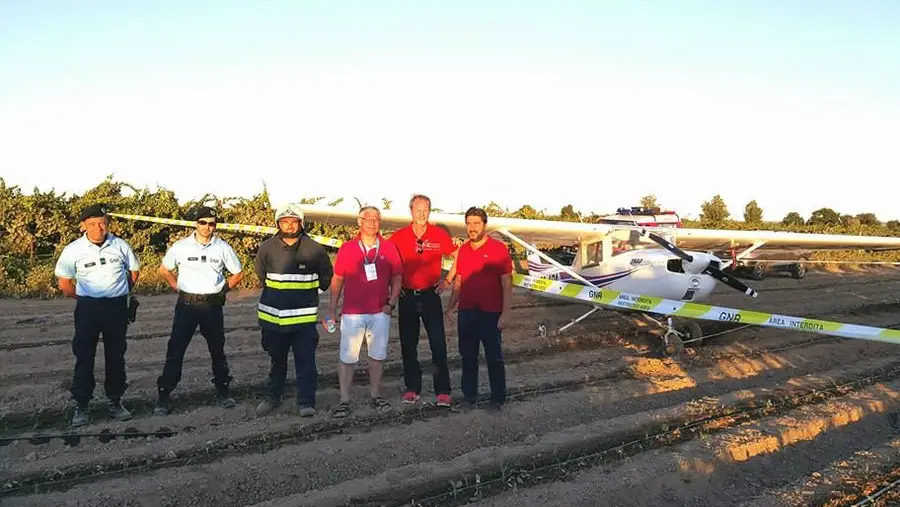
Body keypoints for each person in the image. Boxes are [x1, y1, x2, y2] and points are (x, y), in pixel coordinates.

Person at [54, 203, 141, 427]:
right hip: (88, 310)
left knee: (116, 357)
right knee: (84, 357)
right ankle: (82, 405)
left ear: (107, 224)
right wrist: (86, 298)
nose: (97, 228)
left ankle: (115, 401)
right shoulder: (73, 250)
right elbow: (64, 283)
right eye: (91, 224)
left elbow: (134, 271)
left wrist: (120, 292)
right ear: (83, 226)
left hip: (116, 309)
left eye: (102, 223)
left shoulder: (120, 245)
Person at [152, 206, 244, 415]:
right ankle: (164, 396)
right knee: (175, 350)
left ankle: (223, 391)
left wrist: (224, 289)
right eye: (203, 223)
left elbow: (238, 273)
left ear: (215, 226)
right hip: (187, 305)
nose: (207, 227)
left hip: (211, 305)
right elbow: (165, 269)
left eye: (211, 224)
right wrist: (177, 286)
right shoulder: (181, 247)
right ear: (196, 224)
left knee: (217, 351)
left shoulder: (222, 247)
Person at [254, 203, 333, 417]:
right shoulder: (266, 248)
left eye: (293, 221)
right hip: (273, 320)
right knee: (276, 362)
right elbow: (262, 276)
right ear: (278, 223)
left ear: (301, 223)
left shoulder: (314, 249)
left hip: (303, 322)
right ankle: (273, 397)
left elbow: (326, 278)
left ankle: (306, 402)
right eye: (284, 221)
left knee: (306, 363)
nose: (289, 225)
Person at [327, 205, 403, 418]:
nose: (372, 222)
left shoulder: (389, 248)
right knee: (347, 357)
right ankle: (344, 399)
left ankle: (375, 395)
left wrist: (392, 302)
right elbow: (338, 278)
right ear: (359, 222)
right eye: (367, 218)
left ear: (380, 222)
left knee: (377, 356)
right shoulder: (348, 248)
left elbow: (397, 276)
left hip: (380, 312)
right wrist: (332, 309)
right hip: (352, 313)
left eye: (376, 219)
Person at [387, 194, 457, 407]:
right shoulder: (398, 237)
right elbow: (387, 264)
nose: (421, 214)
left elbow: (458, 255)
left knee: (438, 344)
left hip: (430, 296)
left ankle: (443, 391)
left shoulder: (439, 235)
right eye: (418, 210)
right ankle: (412, 388)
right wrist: (393, 289)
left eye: (425, 210)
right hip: (407, 296)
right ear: (411, 210)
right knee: (408, 346)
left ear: (430, 211)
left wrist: (447, 281)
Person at [445, 206, 512, 411]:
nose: (472, 228)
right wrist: (450, 308)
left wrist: (506, 312)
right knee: (468, 356)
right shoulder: (463, 250)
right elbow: (459, 281)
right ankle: (469, 397)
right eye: (469, 224)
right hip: (467, 311)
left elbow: (507, 283)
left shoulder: (499, 249)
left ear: (484, 225)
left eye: (476, 223)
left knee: (494, 357)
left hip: (491, 313)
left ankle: (497, 399)